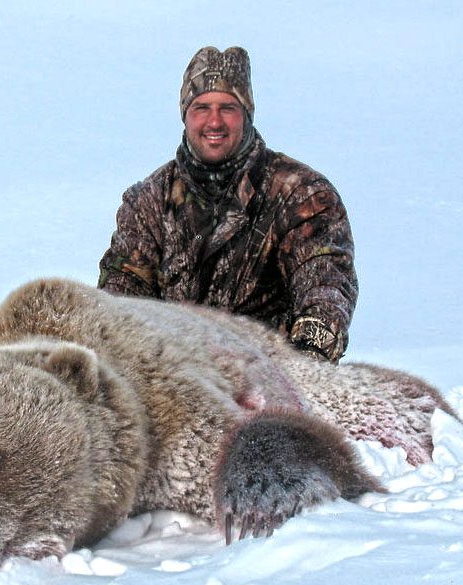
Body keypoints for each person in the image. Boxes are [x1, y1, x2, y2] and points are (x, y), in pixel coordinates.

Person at [98, 46, 358, 362]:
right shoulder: (148, 200)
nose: (214, 122)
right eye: (201, 107)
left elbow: (325, 286)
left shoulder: (301, 193)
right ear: (185, 115)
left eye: (228, 108)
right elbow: (120, 297)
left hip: (272, 377)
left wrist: (308, 359)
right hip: (177, 378)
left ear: (246, 113)